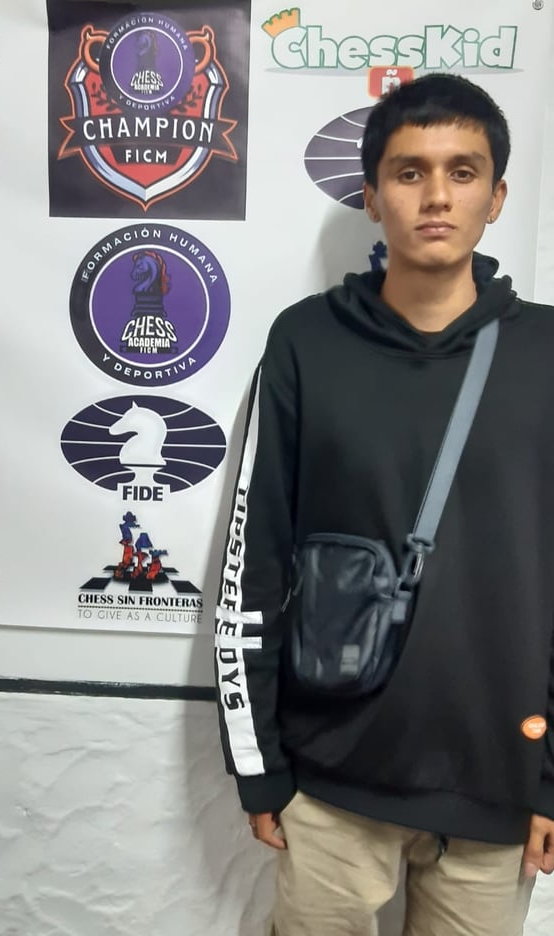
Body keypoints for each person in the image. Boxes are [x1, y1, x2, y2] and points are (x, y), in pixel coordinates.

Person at [214, 73, 554, 936]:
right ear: (371, 196)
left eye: (462, 171)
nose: (437, 196)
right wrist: (257, 764)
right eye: (409, 172)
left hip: (496, 785)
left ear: (496, 197)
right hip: (331, 783)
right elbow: (253, 562)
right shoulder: (306, 342)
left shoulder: (548, 353)